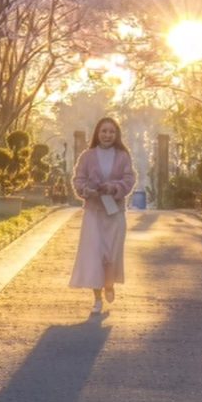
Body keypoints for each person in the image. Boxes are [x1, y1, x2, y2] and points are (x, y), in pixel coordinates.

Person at [69, 116, 138, 313]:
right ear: (97, 134)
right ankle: (97, 299)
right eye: (104, 131)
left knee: (111, 254)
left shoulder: (123, 156)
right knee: (94, 255)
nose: (107, 135)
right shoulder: (87, 156)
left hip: (114, 213)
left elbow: (129, 179)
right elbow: (78, 179)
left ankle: (109, 284)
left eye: (111, 132)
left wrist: (114, 187)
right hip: (93, 213)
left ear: (116, 135)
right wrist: (85, 190)